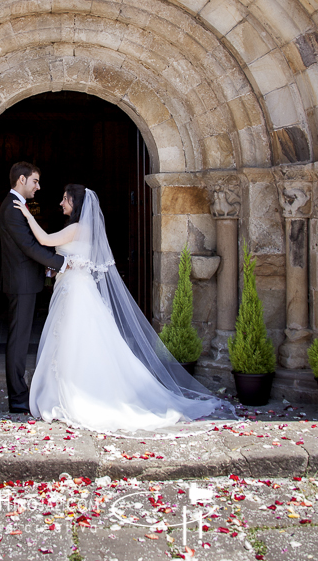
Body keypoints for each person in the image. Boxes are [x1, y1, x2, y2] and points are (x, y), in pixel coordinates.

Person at [13, 184, 234, 432]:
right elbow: (76, 259)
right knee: (80, 342)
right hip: (76, 289)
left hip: (75, 293)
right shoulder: (82, 229)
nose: (61, 203)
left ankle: (73, 392)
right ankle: (80, 387)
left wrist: (27, 213)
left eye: (65, 199)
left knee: (72, 342)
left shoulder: (76, 228)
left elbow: (43, 240)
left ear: (75, 204)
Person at [0, 161, 66, 414]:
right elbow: (28, 246)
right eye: (35, 181)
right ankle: (17, 397)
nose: (38, 186)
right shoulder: (13, 208)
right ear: (21, 180)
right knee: (18, 340)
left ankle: (19, 394)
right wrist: (61, 262)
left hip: (24, 281)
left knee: (20, 337)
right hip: (20, 282)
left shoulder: (17, 206)